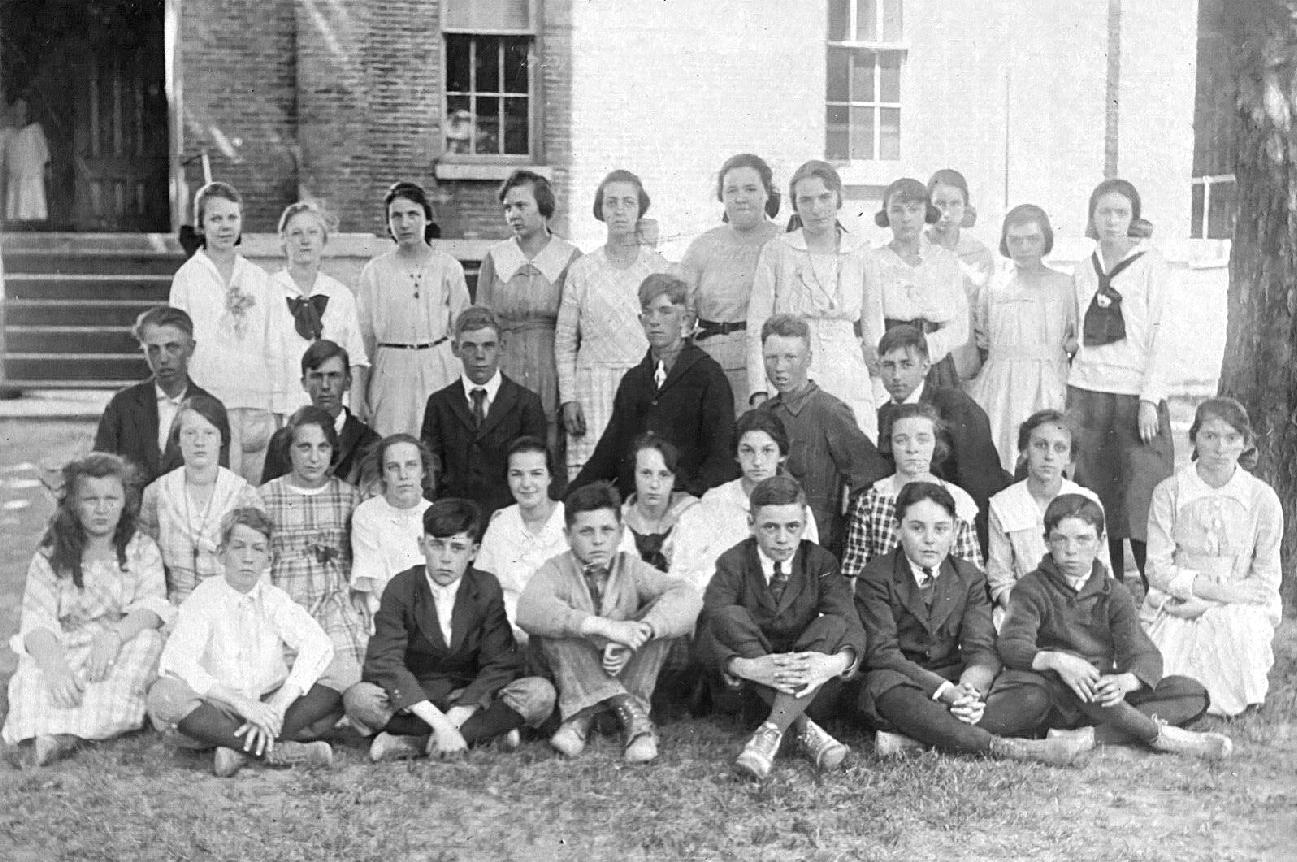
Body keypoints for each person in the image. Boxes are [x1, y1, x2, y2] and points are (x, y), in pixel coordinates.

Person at [853, 482, 1088, 765]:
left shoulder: (969, 577)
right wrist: (946, 692)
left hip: (955, 679)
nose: (929, 539)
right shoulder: (876, 576)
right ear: (896, 528)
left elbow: (981, 648)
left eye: (940, 529)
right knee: (887, 690)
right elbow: (883, 653)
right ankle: (1011, 749)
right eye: (917, 528)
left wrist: (970, 690)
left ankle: (918, 740)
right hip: (904, 680)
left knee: (1033, 695)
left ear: (954, 531)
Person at [996, 494, 1231, 759]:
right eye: (1061, 539)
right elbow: (1011, 645)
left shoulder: (1113, 592)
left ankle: (1087, 738)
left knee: (1191, 693)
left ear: (1100, 542)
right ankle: (1158, 735)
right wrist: (1057, 661)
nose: (1071, 550)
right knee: (1033, 694)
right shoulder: (1030, 587)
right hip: (1053, 694)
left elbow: (1143, 653)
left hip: (1102, 696)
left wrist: (1127, 680)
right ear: (1047, 542)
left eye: (1083, 539)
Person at [343, 499, 556, 761]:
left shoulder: (486, 588)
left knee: (540, 693)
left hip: (468, 696)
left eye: (457, 548)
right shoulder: (401, 588)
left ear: (474, 552)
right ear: (422, 545)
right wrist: (440, 723)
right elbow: (385, 661)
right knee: (358, 699)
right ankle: (482, 735)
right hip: (417, 699)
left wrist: (456, 717)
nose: (445, 558)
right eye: (437, 545)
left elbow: (500, 663)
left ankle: (415, 742)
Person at [2, 454, 170, 765]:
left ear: (125, 502)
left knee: (147, 644)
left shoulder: (141, 548)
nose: (102, 508)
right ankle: (50, 733)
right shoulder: (52, 555)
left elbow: (152, 607)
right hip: (66, 643)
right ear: (75, 504)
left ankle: (69, 733)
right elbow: (37, 618)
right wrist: (54, 666)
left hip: (118, 644)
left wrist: (114, 637)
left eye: (111, 498)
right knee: (34, 676)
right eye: (91, 499)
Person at [516, 482, 702, 763]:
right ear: (568, 536)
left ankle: (588, 716)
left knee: (661, 616)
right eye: (586, 532)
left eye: (607, 530)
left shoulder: (630, 567)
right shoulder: (555, 569)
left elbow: (687, 596)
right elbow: (528, 609)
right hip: (572, 690)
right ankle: (627, 714)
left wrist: (641, 632)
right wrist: (603, 627)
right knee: (557, 625)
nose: (598, 540)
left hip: (623, 673)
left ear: (621, 533)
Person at [147, 508, 340, 777]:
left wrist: (279, 704)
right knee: (164, 695)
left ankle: (237, 749)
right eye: (239, 547)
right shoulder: (205, 597)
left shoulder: (273, 599)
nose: (248, 558)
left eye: (258, 550)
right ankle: (278, 750)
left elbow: (318, 644)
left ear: (269, 559)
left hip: (270, 706)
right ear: (221, 554)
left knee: (340, 668)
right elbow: (178, 661)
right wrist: (241, 704)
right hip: (219, 708)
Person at [701, 476, 864, 780]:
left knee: (833, 622)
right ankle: (806, 731)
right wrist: (747, 667)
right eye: (770, 527)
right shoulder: (733, 561)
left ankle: (770, 733)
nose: (782, 538)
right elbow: (708, 629)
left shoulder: (820, 561)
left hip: (813, 688)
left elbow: (851, 624)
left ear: (804, 523)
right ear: (751, 523)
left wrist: (833, 664)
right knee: (727, 617)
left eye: (792, 527)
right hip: (749, 691)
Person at [1141, 398, 1283, 717]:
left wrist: (1212, 603)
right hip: (1179, 596)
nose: (1220, 448)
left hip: (1241, 602)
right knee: (1168, 665)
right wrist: (1193, 591)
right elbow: (1158, 568)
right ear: (1194, 439)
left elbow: (1265, 581)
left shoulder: (1262, 499)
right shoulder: (1169, 491)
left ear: (1245, 443)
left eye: (1232, 438)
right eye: (1210, 436)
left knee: (1238, 631)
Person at [1067, 178, 1175, 587]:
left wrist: (1150, 398)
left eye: (1120, 213)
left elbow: (1162, 332)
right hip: (1088, 393)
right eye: (1104, 212)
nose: (1112, 221)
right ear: (1092, 217)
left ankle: (1154, 590)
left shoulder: (1151, 264)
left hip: (1134, 397)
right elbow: (1075, 328)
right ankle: (1107, 590)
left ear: (1133, 218)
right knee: (1097, 495)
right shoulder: (1083, 268)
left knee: (1141, 495)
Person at [169, 181, 297, 484]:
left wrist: (277, 404)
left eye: (232, 218)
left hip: (256, 403)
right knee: (216, 487)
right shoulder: (187, 278)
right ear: (201, 225)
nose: (225, 227)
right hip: (210, 401)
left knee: (253, 490)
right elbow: (177, 345)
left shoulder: (258, 278)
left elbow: (275, 342)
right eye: (216, 219)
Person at [746, 160, 883, 437]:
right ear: (795, 205)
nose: (816, 208)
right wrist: (759, 390)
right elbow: (757, 326)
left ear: (838, 198)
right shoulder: (778, 251)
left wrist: (878, 389)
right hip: (790, 361)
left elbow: (873, 326)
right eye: (806, 200)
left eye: (825, 197)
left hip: (846, 365)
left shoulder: (861, 251)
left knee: (853, 441)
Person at [573, 273, 737, 496]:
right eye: (648, 312)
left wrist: (689, 496)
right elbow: (607, 455)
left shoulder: (707, 376)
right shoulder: (633, 381)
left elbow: (721, 457)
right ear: (641, 320)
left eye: (665, 311)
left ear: (685, 320)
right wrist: (562, 502)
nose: (654, 320)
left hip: (687, 504)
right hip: (635, 503)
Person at [556, 169, 670, 480]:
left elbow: (670, 338)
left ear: (640, 210)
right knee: (593, 478)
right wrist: (569, 398)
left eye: (628, 203)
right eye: (611, 202)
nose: (619, 210)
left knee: (643, 470)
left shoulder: (657, 266)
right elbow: (565, 341)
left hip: (644, 384)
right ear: (601, 210)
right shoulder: (582, 269)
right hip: (592, 386)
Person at [475, 437, 637, 637]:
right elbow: (479, 588)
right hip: (506, 636)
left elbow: (627, 571)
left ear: (550, 477)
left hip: (565, 636)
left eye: (536, 474)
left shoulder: (576, 520)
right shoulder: (500, 524)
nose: (526, 484)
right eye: (516, 474)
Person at [259, 407, 367, 697]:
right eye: (304, 447)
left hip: (335, 598)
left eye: (323, 447)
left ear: (333, 451)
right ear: (289, 450)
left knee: (346, 673)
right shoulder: (266, 497)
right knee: (280, 673)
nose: (314, 457)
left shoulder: (348, 496)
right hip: (286, 599)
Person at [759, 314, 889, 553]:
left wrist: (848, 537)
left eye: (790, 357)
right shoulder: (764, 414)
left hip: (819, 550)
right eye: (771, 358)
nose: (779, 367)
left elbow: (871, 479)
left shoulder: (829, 412)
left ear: (808, 359)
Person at [876, 324, 1011, 549]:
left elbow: (979, 481)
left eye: (906, 365)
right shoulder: (884, 413)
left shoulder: (953, 405)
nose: (896, 376)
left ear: (926, 366)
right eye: (888, 366)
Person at [476, 170, 581, 458]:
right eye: (508, 208)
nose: (513, 214)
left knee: (547, 451)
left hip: (551, 368)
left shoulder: (570, 258)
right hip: (505, 366)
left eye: (521, 206)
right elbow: (481, 324)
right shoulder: (495, 258)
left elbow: (578, 331)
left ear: (543, 208)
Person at [967, 205, 1077, 472]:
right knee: (998, 455)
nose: (1024, 247)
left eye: (1032, 239)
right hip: (1000, 385)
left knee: (1045, 457)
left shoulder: (1063, 285)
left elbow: (1074, 337)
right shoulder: (993, 285)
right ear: (1005, 242)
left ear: (1045, 240)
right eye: (1015, 240)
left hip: (1046, 382)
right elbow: (982, 335)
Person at [357, 181, 471, 437]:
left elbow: (463, 330)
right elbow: (365, 338)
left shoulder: (448, 267)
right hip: (392, 370)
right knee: (392, 444)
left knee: (439, 442)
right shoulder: (375, 271)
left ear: (427, 218)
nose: (404, 223)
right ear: (388, 223)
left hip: (439, 365)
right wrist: (360, 395)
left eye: (412, 214)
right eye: (396, 216)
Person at [669, 410, 821, 593]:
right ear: (736, 454)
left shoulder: (798, 509)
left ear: (781, 455)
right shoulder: (713, 504)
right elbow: (682, 575)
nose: (757, 461)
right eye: (747, 450)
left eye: (767, 450)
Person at [421, 306, 546, 518]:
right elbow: (432, 471)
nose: (480, 356)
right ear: (455, 349)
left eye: (488, 346)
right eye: (470, 346)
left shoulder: (526, 402)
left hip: (510, 518)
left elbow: (535, 470)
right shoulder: (439, 403)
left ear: (502, 346)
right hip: (454, 519)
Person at [985, 410, 1107, 627]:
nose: (1049, 456)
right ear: (1024, 450)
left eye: (1059, 448)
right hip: (1024, 613)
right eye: (1040, 445)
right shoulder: (1003, 505)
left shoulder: (1087, 501)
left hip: (1082, 612)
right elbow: (1000, 579)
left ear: (1069, 457)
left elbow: (1103, 571)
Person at [681, 153, 782, 413]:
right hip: (711, 364)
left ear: (767, 193)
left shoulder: (785, 242)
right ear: (722, 197)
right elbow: (683, 314)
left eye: (750, 189)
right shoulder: (703, 246)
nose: (740, 198)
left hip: (768, 365)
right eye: (731, 190)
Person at [138, 395, 262, 603]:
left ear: (222, 439)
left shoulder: (244, 496)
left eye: (209, 433)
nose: (199, 442)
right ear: (177, 439)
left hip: (229, 607)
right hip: (176, 607)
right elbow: (145, 561)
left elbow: (256, 567)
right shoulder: (157, 493)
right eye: (190, 433)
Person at [841, 403, 983, 577]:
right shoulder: (872, 500)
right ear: (890, 445)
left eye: (922, 439)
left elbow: (972, 574)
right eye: (901, 440)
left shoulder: (958, 500)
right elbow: (855, 570)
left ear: (935, 444)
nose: (912, 449)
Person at [95, 306, 230, 486]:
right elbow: (102, 468)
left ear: (190, 348)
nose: (163, 358)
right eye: (154, 349)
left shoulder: (210, 408)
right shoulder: (123, 404)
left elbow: (218, 477)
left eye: (172, 347)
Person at [272, 201, 370, 413]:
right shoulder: (267, 292)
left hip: (332, 411)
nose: (305, 241)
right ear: (283, 239)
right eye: (296, 233)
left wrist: (352, 418)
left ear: (323, 240)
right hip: (284, 409)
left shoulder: (340, 295)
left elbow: (355, 360)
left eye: (312, 232)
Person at [874, 177, 968, 391]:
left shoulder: (944, 261)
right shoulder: (873, 261)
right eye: (897, 210)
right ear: (886, 214)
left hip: (933, 365)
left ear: (926, 213)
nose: (906, 218)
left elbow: (959, 328)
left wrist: (925, 351)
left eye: (914, 210)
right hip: (889, 365)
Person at [261, 340, 381, 490]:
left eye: (333, 376)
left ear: (348, 382)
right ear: (304, 383)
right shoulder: (281, 441)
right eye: (316, 376)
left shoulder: (369, 442)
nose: (325, 386)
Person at [350, 434, 435, 619]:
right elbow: (375, 579)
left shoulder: (435, 515)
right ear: (382, 474)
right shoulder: (366, 514)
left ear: (423, 471)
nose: (403, 475)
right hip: (384, 609)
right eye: (393, 467)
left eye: (411, 465)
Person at [925, 169, 995, 382]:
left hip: (965, 356)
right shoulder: (918, 247)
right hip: (925, 351)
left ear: (965, 207)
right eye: (940, 204)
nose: (946, 213)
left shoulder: (978, 252)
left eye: (955, 204)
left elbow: (983, 311)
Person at [617, 434, 699, 571]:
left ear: (674, 479)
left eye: (664, 475)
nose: (654, 484)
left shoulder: (691, 515)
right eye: (646, 474)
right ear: (633, 475)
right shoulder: (617, 520)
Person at [4, 97, 48, 221]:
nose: (21, 111)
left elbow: (44, 154)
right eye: (18, 107)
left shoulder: (35, 131)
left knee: (33, 207)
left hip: (32, 176)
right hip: (16, 177)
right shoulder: (7, 134)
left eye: (23, 108)